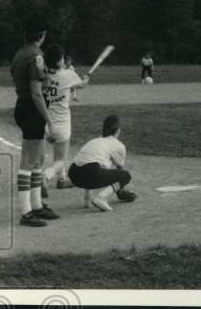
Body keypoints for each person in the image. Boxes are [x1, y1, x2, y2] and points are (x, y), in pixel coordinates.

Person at [10, 26, 59, 227]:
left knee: (38, 159)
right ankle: (26, 212)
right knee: (29, 161)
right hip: (31, 109)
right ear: (41, 35)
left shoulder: (19, 53)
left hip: (24, 107)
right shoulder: (36, 55)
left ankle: (37, 205)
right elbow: (36, 92)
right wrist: (49, 120)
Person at [42, 44, 90, 190]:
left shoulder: (42, 74)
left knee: (49, 156)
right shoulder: (68, 74)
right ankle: (46, 176)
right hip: (61, 124)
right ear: (58, 61)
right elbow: (82, 85)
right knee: (60, 160)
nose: (63, 60)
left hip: (44, 124)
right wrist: (86, 78)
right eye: (62, 58)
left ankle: (62, 180)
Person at [69, 115, 138, 212]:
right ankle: (101, 197)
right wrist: (119, 191)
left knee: (93, 167)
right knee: (126, 176)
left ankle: (87, 198)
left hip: (73, 174)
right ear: (118, 131)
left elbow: (87, 163)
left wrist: (87, 196)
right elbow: (119, 173)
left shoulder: (94, 141)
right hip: (91, 172)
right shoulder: (119, 145)